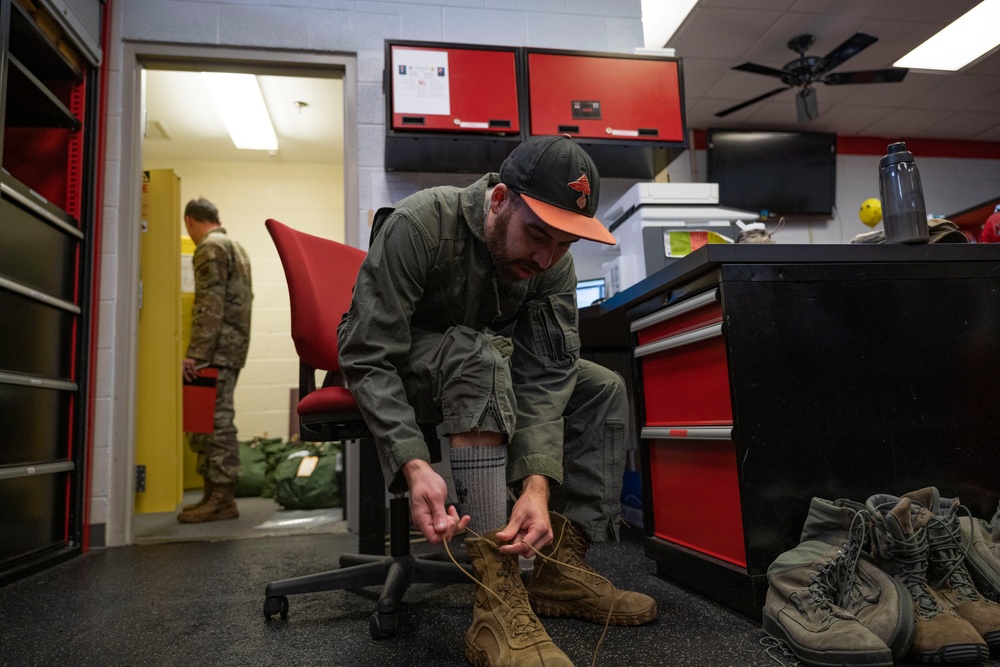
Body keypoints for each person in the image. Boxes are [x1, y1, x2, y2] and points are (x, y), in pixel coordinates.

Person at [338, 136, 657, 665]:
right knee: (478, 355)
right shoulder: (421, 224)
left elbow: (545, 373)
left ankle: (558, 572)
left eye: (562, 245)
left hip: (482, 369)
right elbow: (367, 354)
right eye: (537, 235)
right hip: (403, 372)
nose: (546, 256)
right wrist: (414, 464)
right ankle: (495, 599)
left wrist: (536, 486)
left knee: (599, 385)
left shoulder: (550, 262)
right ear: (500, 199)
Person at [178, 197, 253, 523]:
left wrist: (196, 354)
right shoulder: (235, 246)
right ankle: (213, 495)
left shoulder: (209, 247)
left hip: (215, 351)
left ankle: (221, 499)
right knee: (208, 421)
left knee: (215, 423)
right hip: (231, 348)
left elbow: (210, 305)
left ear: (190, 222)